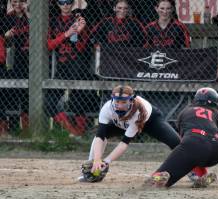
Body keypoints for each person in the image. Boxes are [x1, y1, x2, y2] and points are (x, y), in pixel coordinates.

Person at [144, 87, 218, 188]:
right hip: (217, 150)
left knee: (185, 157)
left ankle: (157, 177)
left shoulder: (185, 112)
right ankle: (203, 177)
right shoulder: (217, 115)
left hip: (195, 144)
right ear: (215, 103)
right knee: (195, 152)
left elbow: (189, 148)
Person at [79, 85, 181, 182]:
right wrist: (97, 160)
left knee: (176, 142)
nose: (119, 105)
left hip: (151, 122)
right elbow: (99, 136)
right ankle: (92, 169)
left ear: (131, 101)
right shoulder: (107, 108)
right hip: (124, 123)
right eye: (117, 101)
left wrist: (107, 161)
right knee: (103, 134)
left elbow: (124, 143)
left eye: (124, 102)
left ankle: (194, 172)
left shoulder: (139, 112)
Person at [47, 0, 97, 136]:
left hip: (77, 63)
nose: (65, 5)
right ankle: (72, 131)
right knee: (49, 102)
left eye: (68, 1)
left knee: (79, 99)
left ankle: (80, 133)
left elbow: (81, 47)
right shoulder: (52, 21)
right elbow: (49, 45)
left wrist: (81, 31)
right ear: (57, 4)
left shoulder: (79, 19)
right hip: (61, 65)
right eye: (61, 2)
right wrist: (66, 34)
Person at [4, 0, 30, 131]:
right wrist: (6, 35)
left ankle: (27, 129)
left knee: (28, 94)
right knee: (14, 92)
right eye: (15, 1)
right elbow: (3, 38)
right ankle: (13, 127)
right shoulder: (8, 18)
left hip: (32, 59)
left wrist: (27, 12)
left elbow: (38, 28)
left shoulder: (31, 15)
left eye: (22, 1)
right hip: (16, 59)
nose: (18, 5)